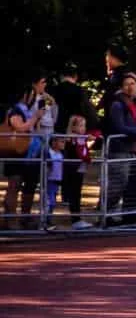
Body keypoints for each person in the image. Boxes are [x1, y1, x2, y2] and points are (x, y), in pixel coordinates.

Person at [102, 73, 136, 225]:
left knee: (125, 183)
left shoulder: (135, 104)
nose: (130, 87)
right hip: (117, 148)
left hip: (130, 148)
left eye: (133, 84)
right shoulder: (118, 104)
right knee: (117, 182)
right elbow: (119, 126)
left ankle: (118, 215)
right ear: (122, 88)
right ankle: (105, 215)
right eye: (127, 84)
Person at [3, 76, 49, 230]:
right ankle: (10, 218)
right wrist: (35, 117)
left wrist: (36, 119)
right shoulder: (15, 110)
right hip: (15, 152)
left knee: (30, 185)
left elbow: (31, 129)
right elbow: (20, 127)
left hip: (30, 152)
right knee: (14, 185)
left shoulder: (29, 111)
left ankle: (25, 217)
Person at [63, 115, 92, 229]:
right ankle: (75, 219)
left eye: (84, 126)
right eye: (80, 125)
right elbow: (72, 150)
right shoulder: (71, 139)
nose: (83, 128)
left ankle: (77, 218)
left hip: (80, 168)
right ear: (73, 127)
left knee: (77, 194)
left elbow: (85, 149)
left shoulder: (81, 138)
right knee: (74, 194)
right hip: (72, 169)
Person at [51, 67, 96, 137]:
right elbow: (87, 110)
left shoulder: (54, 90)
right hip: (76, 129)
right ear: (75, 77)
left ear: (61, 76)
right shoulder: (79, 90)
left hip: (57, 127)